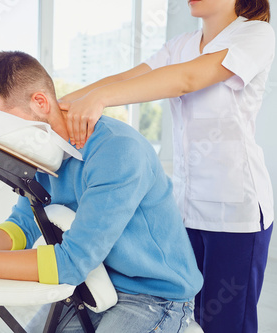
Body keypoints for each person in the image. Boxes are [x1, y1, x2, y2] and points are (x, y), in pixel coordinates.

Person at [0, 51, 203, 332]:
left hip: (153, 298)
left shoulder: (117, 151)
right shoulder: (41, 157)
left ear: (40, 102)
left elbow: (72, 262)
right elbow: (22, 226)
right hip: (93, 285)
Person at [58, 1, 274, 332]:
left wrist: (98, 101)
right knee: (187, 319)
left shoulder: (256, 34)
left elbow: (186, 79)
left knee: (225, 324)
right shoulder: (180, 45)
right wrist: (59, 108)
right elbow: (129, 78)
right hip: (185, 209)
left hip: (235, 214)